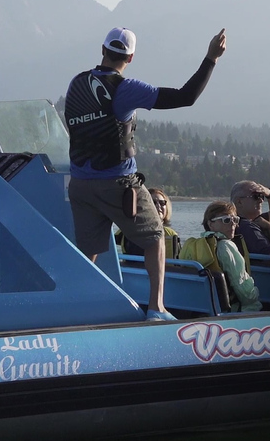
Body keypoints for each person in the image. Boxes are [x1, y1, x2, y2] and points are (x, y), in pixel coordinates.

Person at [65, 26, 227, 321]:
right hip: (118, 184)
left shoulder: (76, 83)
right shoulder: (125, 89)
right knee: (155, 237)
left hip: (79, 185)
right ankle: (157, 308)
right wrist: (211, 59)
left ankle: (75, 309)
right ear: (131, 57)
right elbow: (185, 97)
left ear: (103, 51)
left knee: (88, 250)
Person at [186, 201, 261, 312]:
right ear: (211, 224)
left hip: (206, 309)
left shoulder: (199, 245)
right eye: (226, 220)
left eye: (235, 219)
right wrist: (257, 298)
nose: (233, 224)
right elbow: (243, 289)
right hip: (236, 310)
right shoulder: (226, 246)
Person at [117, 188, 181, 259]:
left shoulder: (171, 234)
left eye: (162, 203)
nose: (158, 206)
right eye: (153, 202)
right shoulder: (126, 232)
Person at [230, 180, 270, 255]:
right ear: (239, 202)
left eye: (262, 196)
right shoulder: (248, 228)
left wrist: (269, 194)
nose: (261, 201)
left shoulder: (236, 222)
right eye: (255, 196)